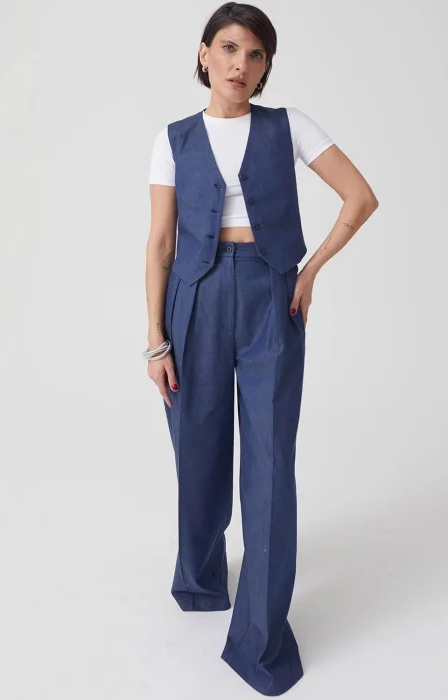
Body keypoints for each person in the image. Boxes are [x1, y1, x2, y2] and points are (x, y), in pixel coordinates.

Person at [144, 2, 378, 695]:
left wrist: (310, 270)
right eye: (229, 48)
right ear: (204, 53)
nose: (240, 64)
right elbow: (160, 243)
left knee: (271, 462)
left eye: (255, 54)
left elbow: (360, 197)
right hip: (194, 298)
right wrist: (155, 339)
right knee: (197, 445)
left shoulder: (288, 127)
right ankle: (200, 578)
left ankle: (261, 639)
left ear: (266, 65)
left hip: (271, 298)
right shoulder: (173, 139)